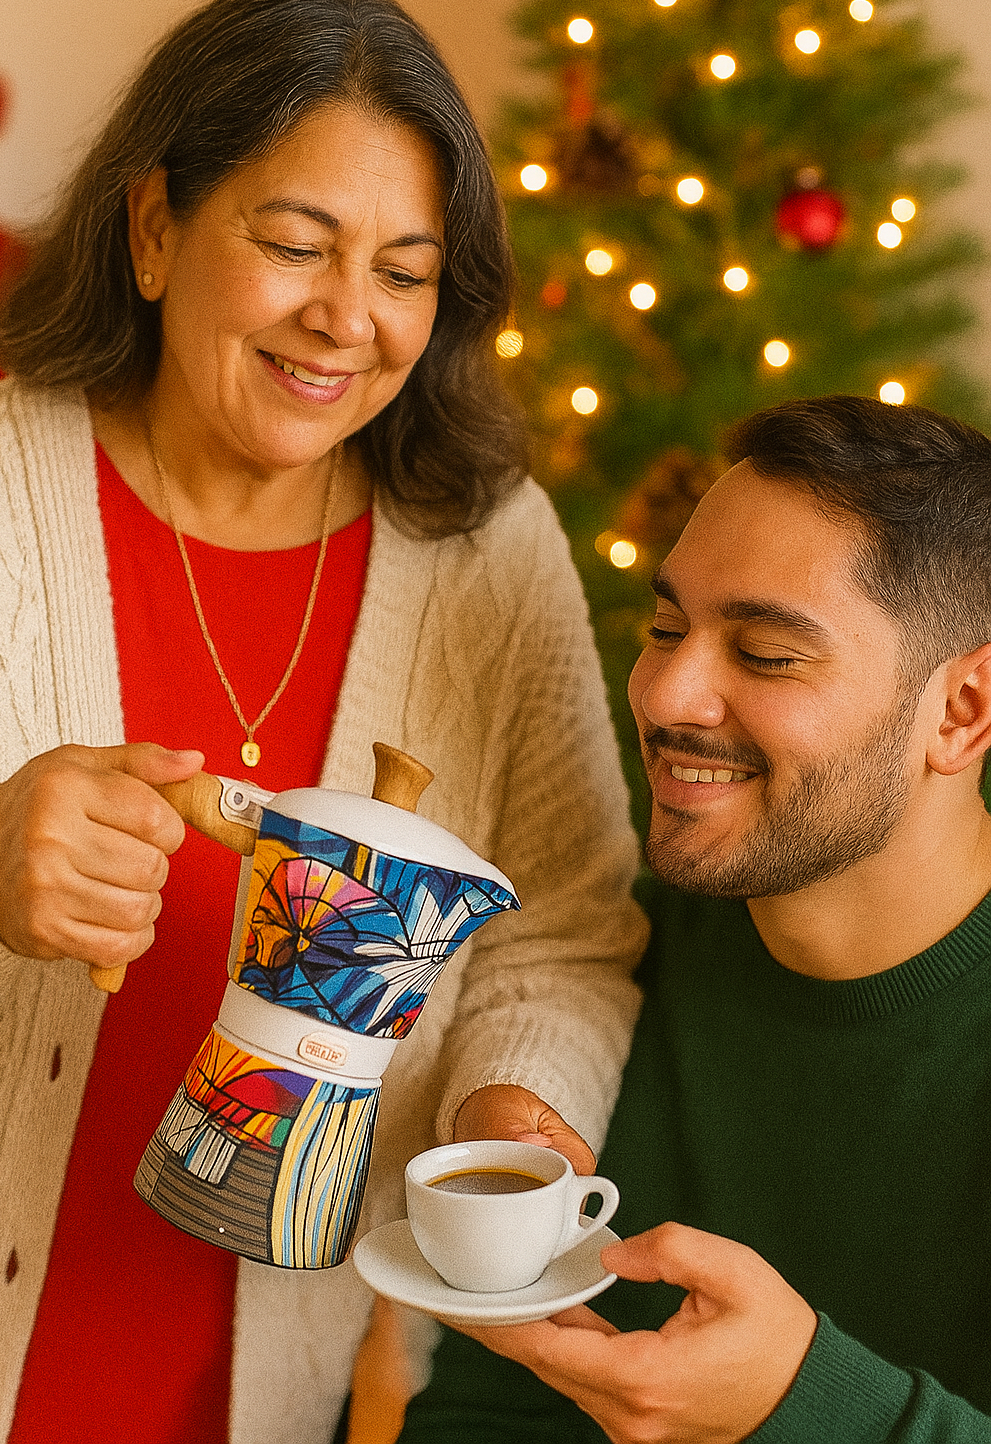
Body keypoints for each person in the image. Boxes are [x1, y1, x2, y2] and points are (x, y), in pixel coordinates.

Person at [0, 0, 647, 1444]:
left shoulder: (490, 547)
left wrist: (513, 1121)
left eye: (406, 272)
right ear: (152, 230)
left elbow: (567, 924)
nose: (349, 319)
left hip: (290, 1391)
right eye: (294, 245)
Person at [398, 393, 991, 1443]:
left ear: (960, 712)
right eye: (665, 627)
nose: (667, 693)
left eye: (765, 655)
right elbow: (482, 1410)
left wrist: (798, 1403)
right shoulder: (598, 975)